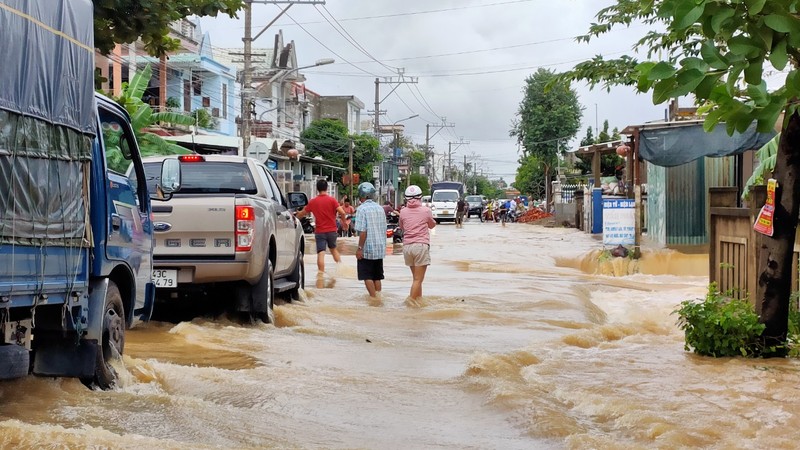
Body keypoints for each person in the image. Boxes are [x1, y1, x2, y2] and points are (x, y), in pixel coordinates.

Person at [295, 179, 346, 273]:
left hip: (320, 231)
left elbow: (302, 213)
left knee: (321, 253)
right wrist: (345, 223)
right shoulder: (332, 200)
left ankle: (321, 275)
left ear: (317, 189)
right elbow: (342, 212)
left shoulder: (313, 201)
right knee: (334, 250)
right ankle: (341, 271)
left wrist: (294, 219)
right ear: (326, 188)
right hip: (331, 231)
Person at [399, 185, 436, 301]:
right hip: (420, 246)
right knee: (418, 280)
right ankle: (411, 303)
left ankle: (418, 302)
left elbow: (402, 227)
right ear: (420, 197)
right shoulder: (426, 211)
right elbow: (432, 225)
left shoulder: (403, 212)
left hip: (407, 247)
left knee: (416, 278)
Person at [353, 182, 386, 298]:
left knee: (367, 276)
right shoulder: (380, 209)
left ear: (361, 195)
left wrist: (359, 249)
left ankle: (374, 299)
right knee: (377, 276)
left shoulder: (362, 209)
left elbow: (363, 232)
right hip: (379, 248)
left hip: (367, 249)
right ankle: (379, 297)